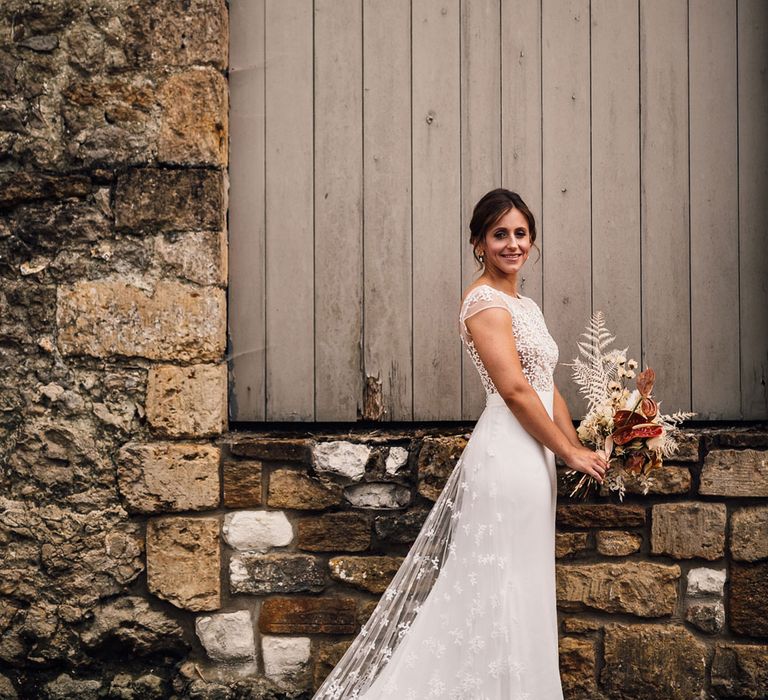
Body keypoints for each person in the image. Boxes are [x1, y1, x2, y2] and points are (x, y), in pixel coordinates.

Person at [313, 188, 608, 699]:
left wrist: (582, 445)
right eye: (500, 235)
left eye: (520, 234)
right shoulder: (483, 302)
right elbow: (515, 390)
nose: (511, 244)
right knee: (496, 585)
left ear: (532, 242)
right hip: (507, 454)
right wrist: (569, 452)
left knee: (524, 580)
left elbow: (548, 387)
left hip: (535, 457)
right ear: (479, 243)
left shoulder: (526, 305)